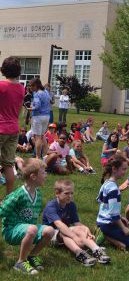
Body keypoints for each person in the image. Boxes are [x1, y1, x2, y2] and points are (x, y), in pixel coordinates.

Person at [0, 158, 55, 275]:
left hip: (29, 230)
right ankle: (20, 263)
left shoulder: (38, 194)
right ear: (33, 177)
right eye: (43, 172)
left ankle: (32, 256)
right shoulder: (18, 194)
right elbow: (2, 212)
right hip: (11, 231)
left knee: (50, 231)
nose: (46, 175)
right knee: (32, 228)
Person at [43, 179, 110, 266]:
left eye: (71, 193)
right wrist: (74, 237)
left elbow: (77, 223)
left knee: (79, 229)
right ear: (57, 193)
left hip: (65, 232)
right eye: (66, 193)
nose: (70, 196)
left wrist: (86, 230)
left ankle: (96, 250)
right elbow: (59, 225)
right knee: (64, 233)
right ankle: (79, 254)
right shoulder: (51, 206)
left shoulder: (71, 205)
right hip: (50, 236)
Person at [96, 154, 129, 251]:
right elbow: (113, 215)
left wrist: (120, 217)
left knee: (126, 243)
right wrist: (123, 228)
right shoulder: (113, 189)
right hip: (107, 223)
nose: (125, 172)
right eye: (123, 169)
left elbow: (100, 200)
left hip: (101, 220)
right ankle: (105, 235)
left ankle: (106, 234)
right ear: (114, 169)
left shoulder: (106, 183)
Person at [0, 56, 25, 195]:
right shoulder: (21, 88)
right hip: (13, 129)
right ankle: (8, 197)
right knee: (8, 164)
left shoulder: (1, 86)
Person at [29, 78, 51, 159]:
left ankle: (37, 157)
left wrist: (31, 108)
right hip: (46, 116)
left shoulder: (37, 94)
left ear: (36, 85)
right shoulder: (45, 92)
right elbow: (49, 101)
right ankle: (47, 153)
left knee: (37, 137)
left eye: (32, 85)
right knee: (42, 136)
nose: (30, 87)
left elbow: (37, 107)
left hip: (38, 117)